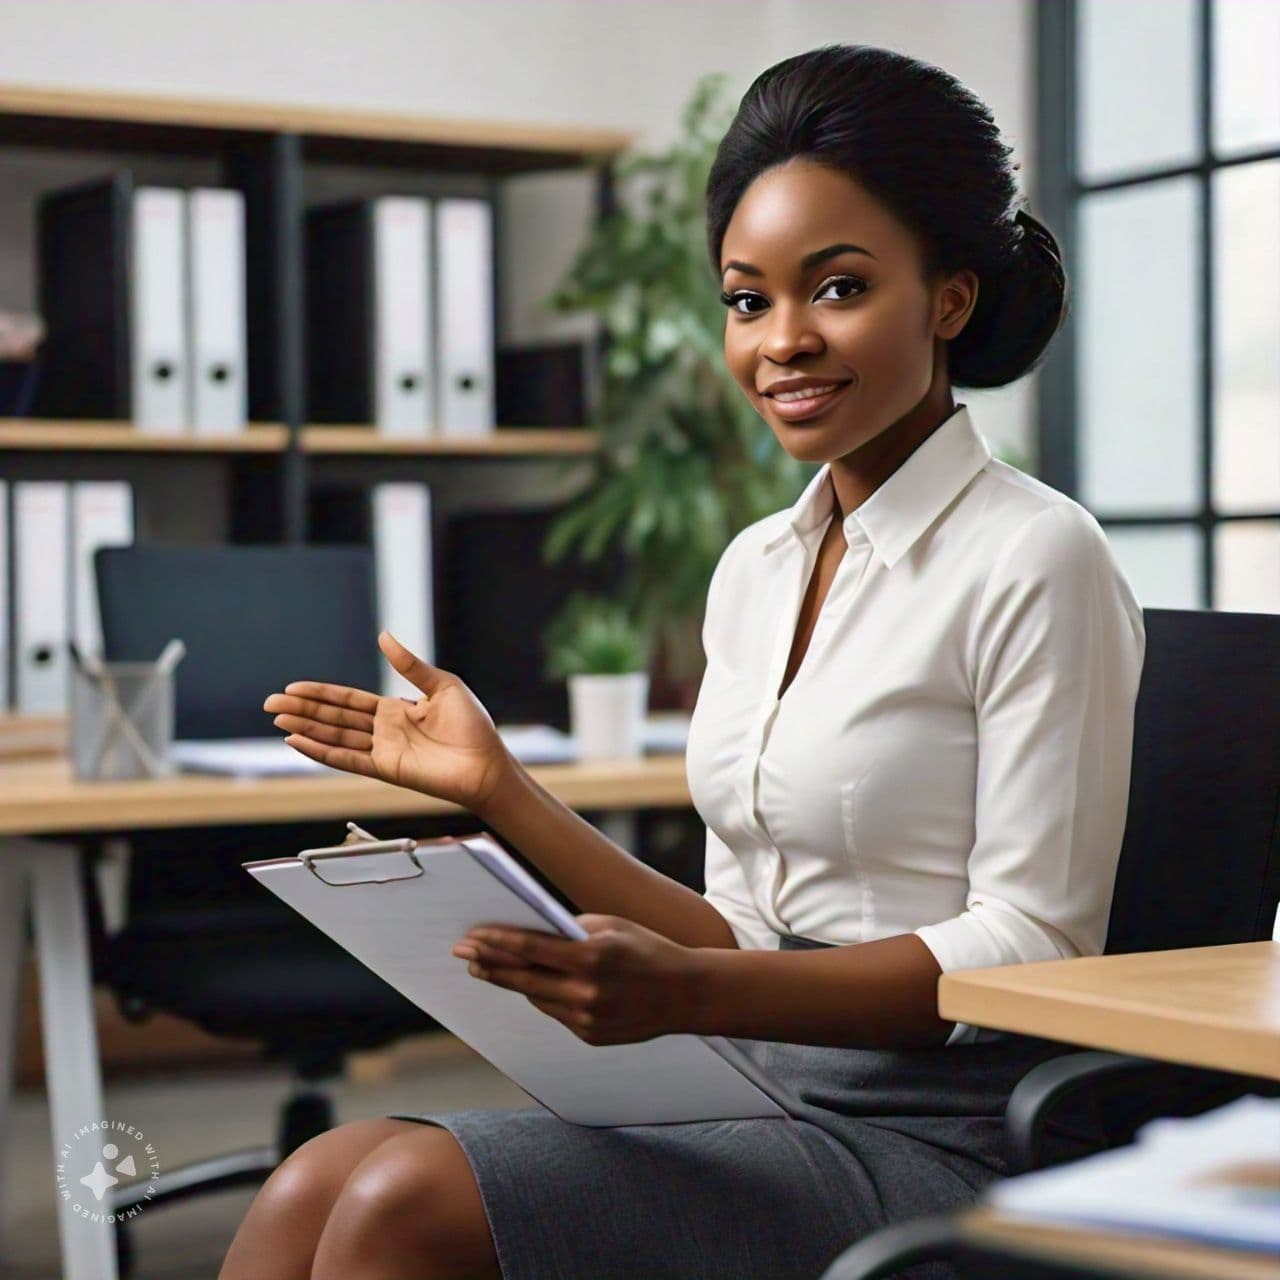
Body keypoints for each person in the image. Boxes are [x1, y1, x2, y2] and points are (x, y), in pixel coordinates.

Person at [219, 42, 1145, 1280]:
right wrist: (499, 791)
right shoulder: (755, 567)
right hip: (747, 1082)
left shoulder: (1038, 556)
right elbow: (739, 930)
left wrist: (697, 995)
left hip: (943, 1131)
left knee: (396, 1199)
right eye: (747, 298)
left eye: (837, 288)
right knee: (309, 1185)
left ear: (949, 297)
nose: (782, 342)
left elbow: (1032, 946)